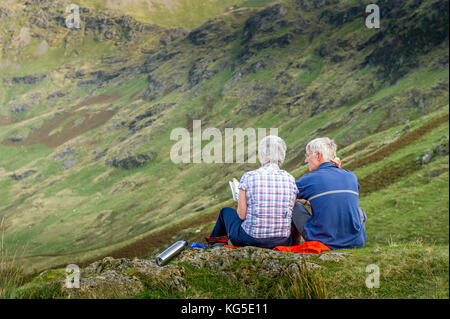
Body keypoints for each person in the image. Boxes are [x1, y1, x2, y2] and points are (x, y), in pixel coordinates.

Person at [208, 135, 298, 249]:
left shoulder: (249, 177)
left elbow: (241, 215)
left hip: (251, 239)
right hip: (283, 241)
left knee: (225, 212)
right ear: (282, 156)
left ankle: (214, 247)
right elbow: (290, 210)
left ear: (261, 155)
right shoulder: (290, 179)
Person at [292, 137, 366, 250]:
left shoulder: (309, 179)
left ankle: (292, 244)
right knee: (360, 211)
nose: (306, 160)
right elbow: (338, 195)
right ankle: (351, 240)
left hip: (324, 242)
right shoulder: (351, 176)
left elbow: (286, 196)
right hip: (356, 242)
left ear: (318, 155)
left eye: (308, 155)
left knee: (294, 206)